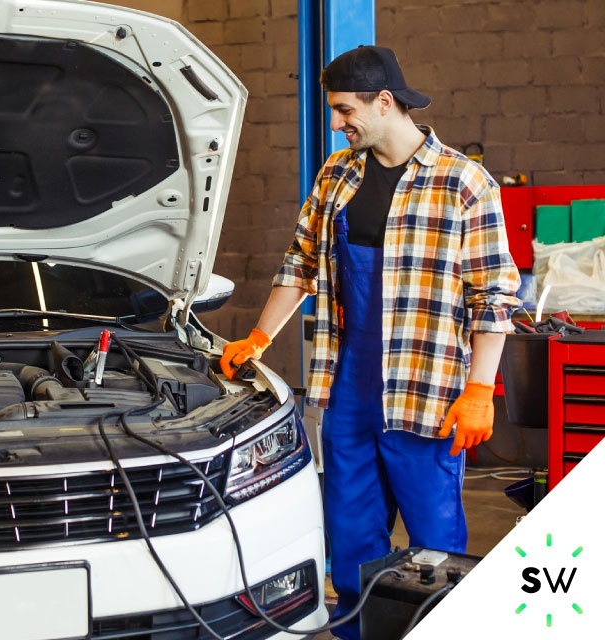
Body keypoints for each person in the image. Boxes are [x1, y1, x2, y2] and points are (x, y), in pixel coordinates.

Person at [219, 45, 520, 638]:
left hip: (426, 391)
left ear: (385, 102)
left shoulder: (464, 184)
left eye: (343, 109)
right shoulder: (337, 175)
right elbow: (300, 263)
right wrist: (258, 336)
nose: (336, 123)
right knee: (352, 532)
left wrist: (481, 388)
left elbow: (494, 296)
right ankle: (359, 630)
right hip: (348, 388)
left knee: (434, 538)